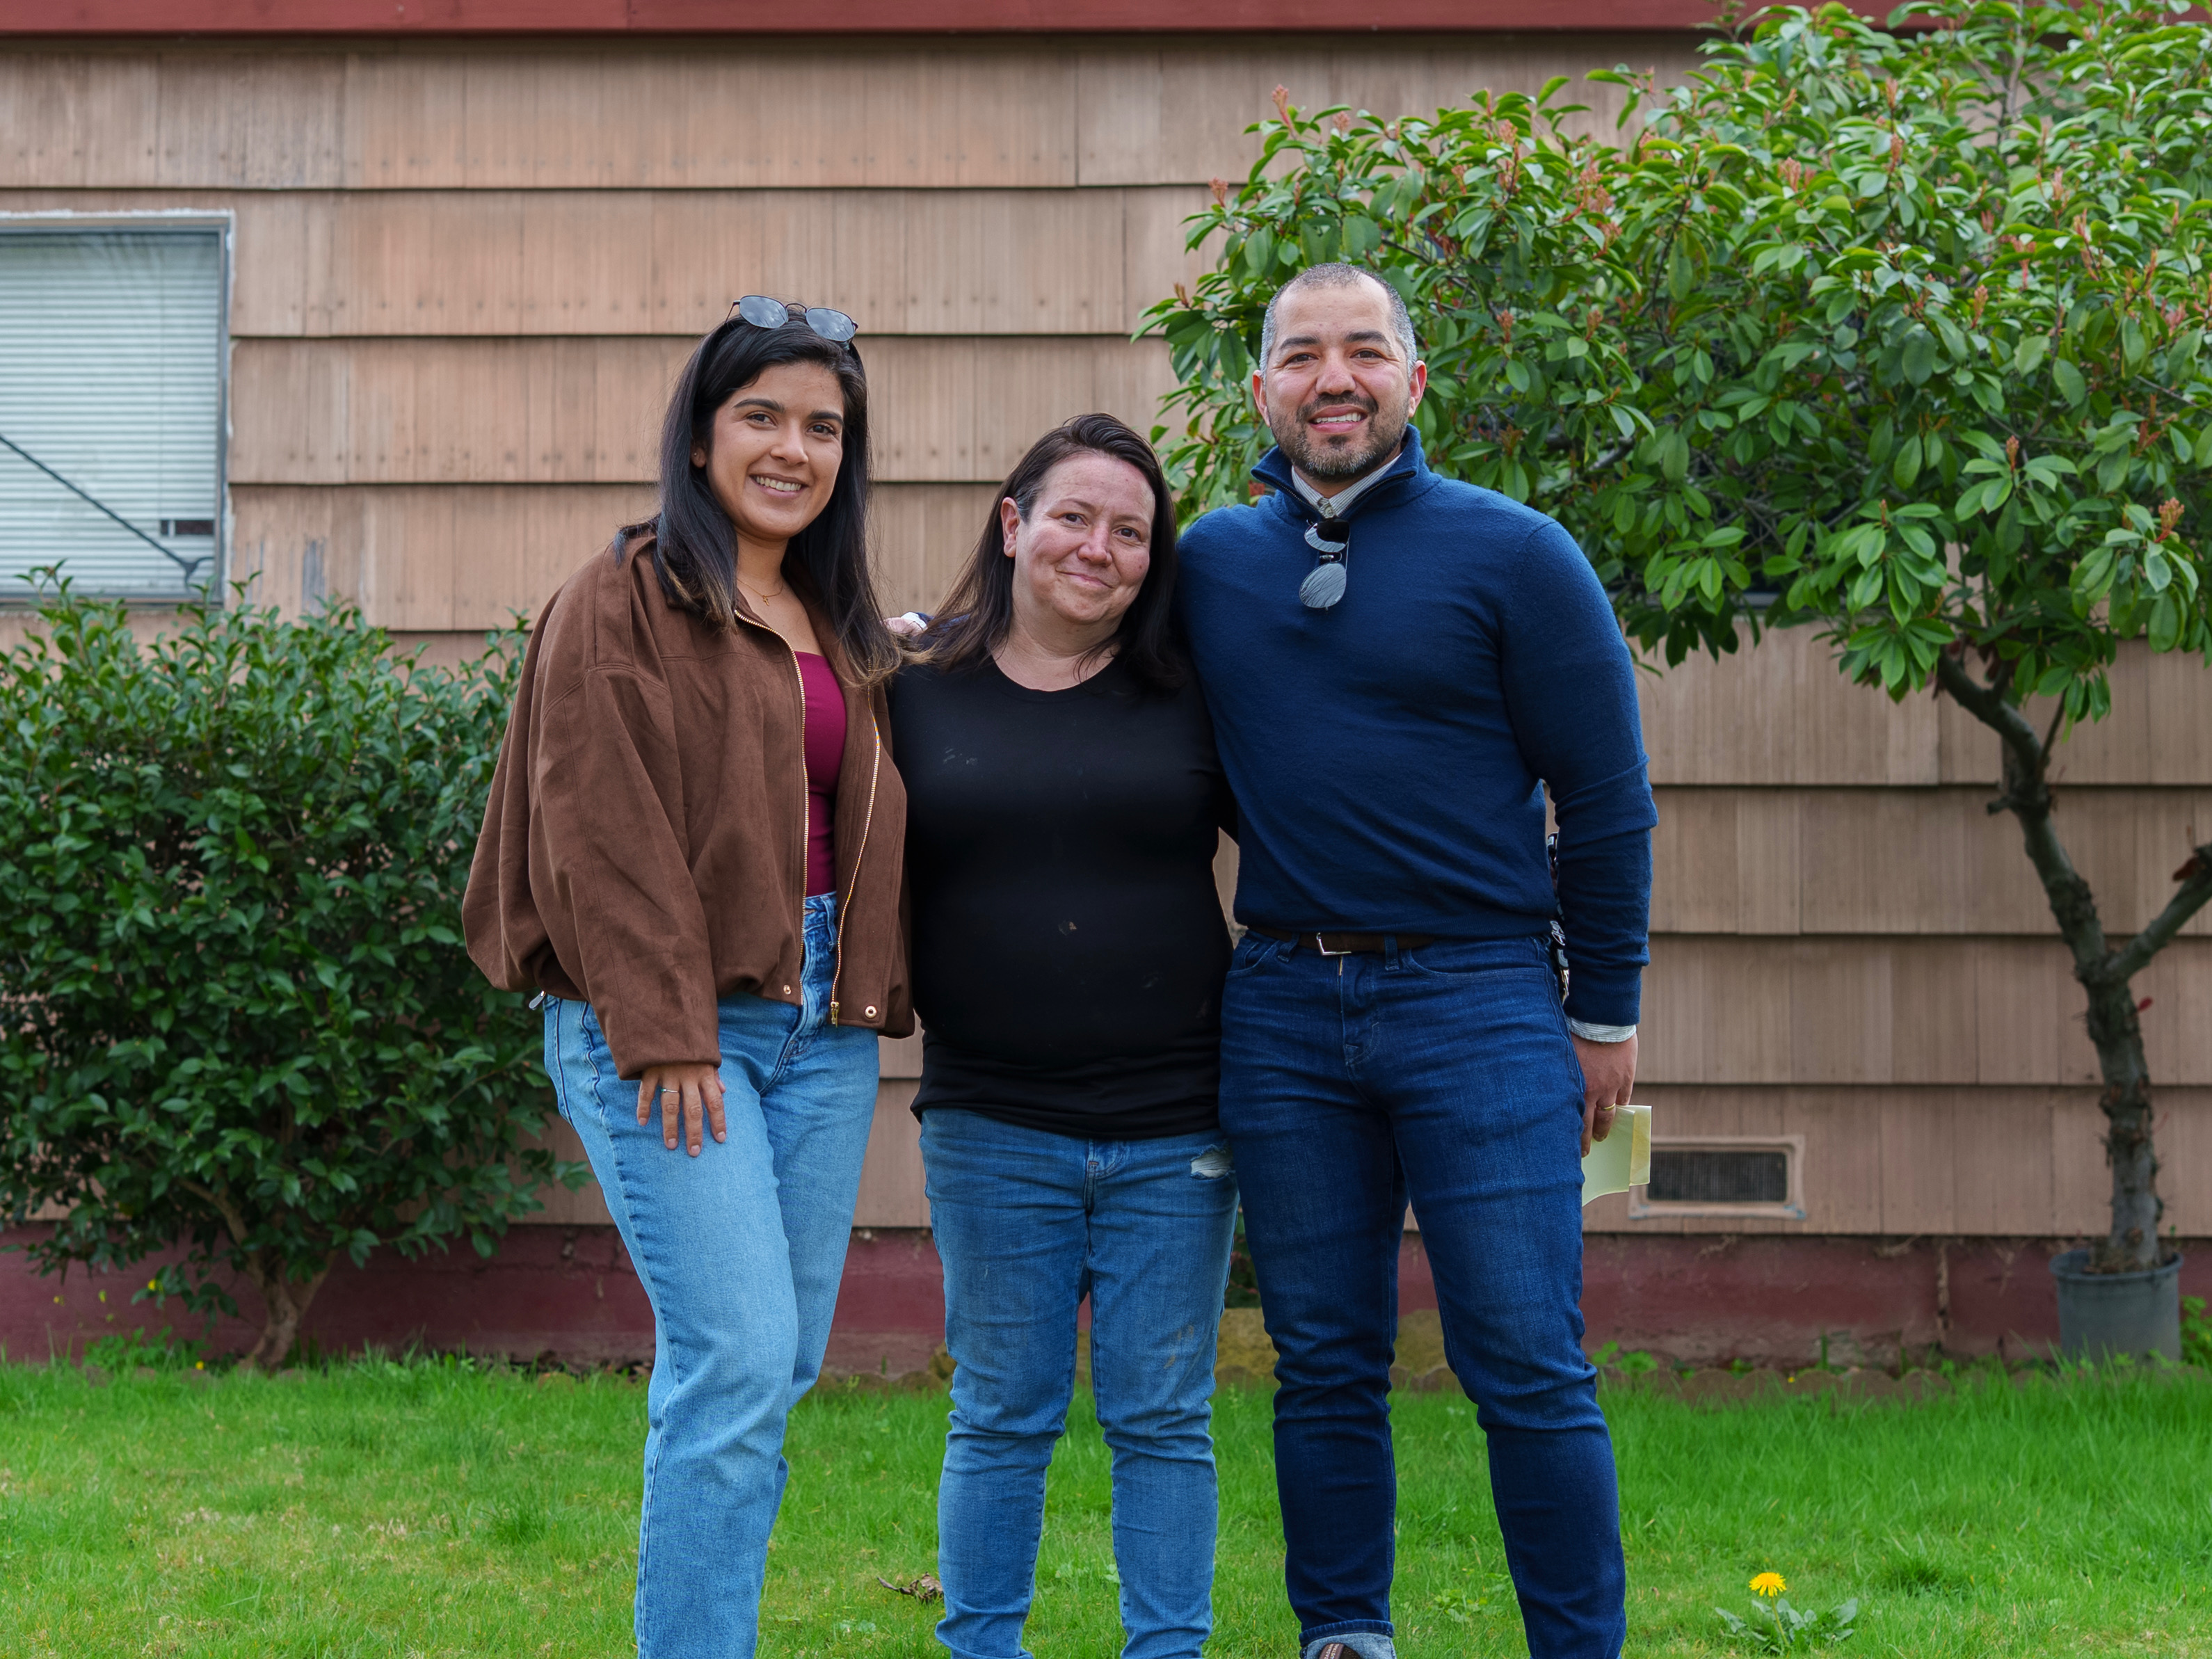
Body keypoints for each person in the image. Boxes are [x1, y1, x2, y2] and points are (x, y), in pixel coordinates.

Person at [1175, 264, 1655, 1659]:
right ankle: (1345, 1632)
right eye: (1302, 354)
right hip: (1281, 1004)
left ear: (1414, 381)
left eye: (1365, 350)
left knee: (1525, 1357)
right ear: (1261, 391)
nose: (1335, 378)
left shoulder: (1517, 555)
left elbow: (1607, 800)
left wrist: (1603, 1012)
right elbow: (1068, 647)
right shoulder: (1208, 563)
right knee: (1324, 1357)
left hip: (1482, 1001)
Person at [461, 296, 911, 1659]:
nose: (793, 448)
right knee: (735, 1356)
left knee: (771, 1361)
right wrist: (664, 1032)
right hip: (672, 1023)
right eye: (761, 416)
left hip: (822, 1030)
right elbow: (601, 828)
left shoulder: (837, 618)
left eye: (822, 426)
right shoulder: (624, 599)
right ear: (701, 436)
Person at [892, 414, 1240, 1659]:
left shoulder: (1196, 693)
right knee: (1001, 1412)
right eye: (1075, 517)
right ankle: (981, 1645)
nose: (1099, 548)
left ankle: (1168, 1650)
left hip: (1177, 1122)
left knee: (1163, 1415)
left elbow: (1313, 830)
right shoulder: (911, 688)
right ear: (1014, 524)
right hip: (990, 1120)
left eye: (1131, 531)